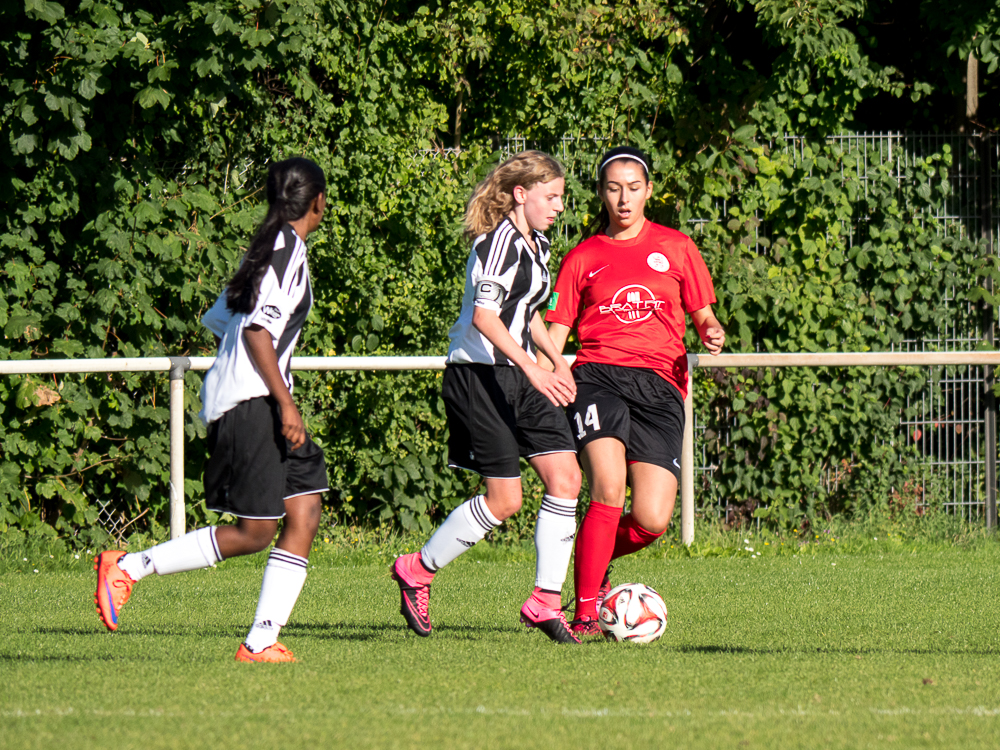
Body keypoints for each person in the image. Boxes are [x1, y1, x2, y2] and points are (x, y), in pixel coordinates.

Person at [94, 157, 330, 663]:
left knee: (305, 507)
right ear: (318, 201)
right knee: (255, 531)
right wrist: (284, 402)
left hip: (255, 397)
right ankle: (128, 567)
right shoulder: (285, 251)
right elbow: (256, 331)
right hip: (254, 402)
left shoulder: (268, 247)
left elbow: (220, 320)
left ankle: (260, 641)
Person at [391, 151, 583, 644]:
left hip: (520, 374)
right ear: (521, 194)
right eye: (551, 197)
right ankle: (417, 570)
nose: (559, 206)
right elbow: (485, 318)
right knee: (506, 499)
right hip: (480, 376)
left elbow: (527, 311)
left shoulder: (537, 243)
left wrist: (555, 359)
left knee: (566, 477)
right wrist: (533, 369)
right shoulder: (498, 243)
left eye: (560, 197)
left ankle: (545, 601)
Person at [543, 146, 725, 636]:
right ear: (601, 193)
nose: (623, 199)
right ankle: (584, 614)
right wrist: (535, 381)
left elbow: (704, 315)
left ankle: (594, 560)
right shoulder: (583, 257)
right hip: (598, 377)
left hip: (661, 387)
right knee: (607, 487)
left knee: (652, 519)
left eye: (633, 188)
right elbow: (555, 335)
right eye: (613, 188)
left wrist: (711, 330)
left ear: (649, 191)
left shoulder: (678, 247)